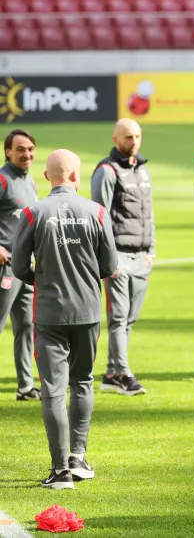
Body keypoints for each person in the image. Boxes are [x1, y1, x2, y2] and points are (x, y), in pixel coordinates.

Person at [12, 149, 118, 489]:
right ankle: (79, 458)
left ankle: (60, 472)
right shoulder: (97, 212)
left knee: (53, 390)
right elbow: (109, 266)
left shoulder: (33, 212)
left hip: (49, 312)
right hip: (87, 311)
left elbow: (17, 267)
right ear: (75, 176)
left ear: (47, 177)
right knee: (83, 381)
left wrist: (39, 279)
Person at [92, 118, 153, 396]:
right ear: (115, 139)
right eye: (128, 137)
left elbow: (148, 213)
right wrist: (108, 259)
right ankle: (125, 374)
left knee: (130, 319)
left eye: (137, 136)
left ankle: (112, 372)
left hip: (142, 257)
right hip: (119, 256)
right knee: (118, 318)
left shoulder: (142, 170)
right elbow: (99, 217)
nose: (134, 141)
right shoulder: (106, 171)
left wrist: (152, 249)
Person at [0, 129, 39, 401]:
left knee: (26, 325)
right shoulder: (2, 179)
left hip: (26, 268)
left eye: (30, 149)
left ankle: (25, 386)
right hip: (5, 267)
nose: (27, 154)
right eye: (21, 149)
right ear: (8, 152)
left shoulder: (32, 182)